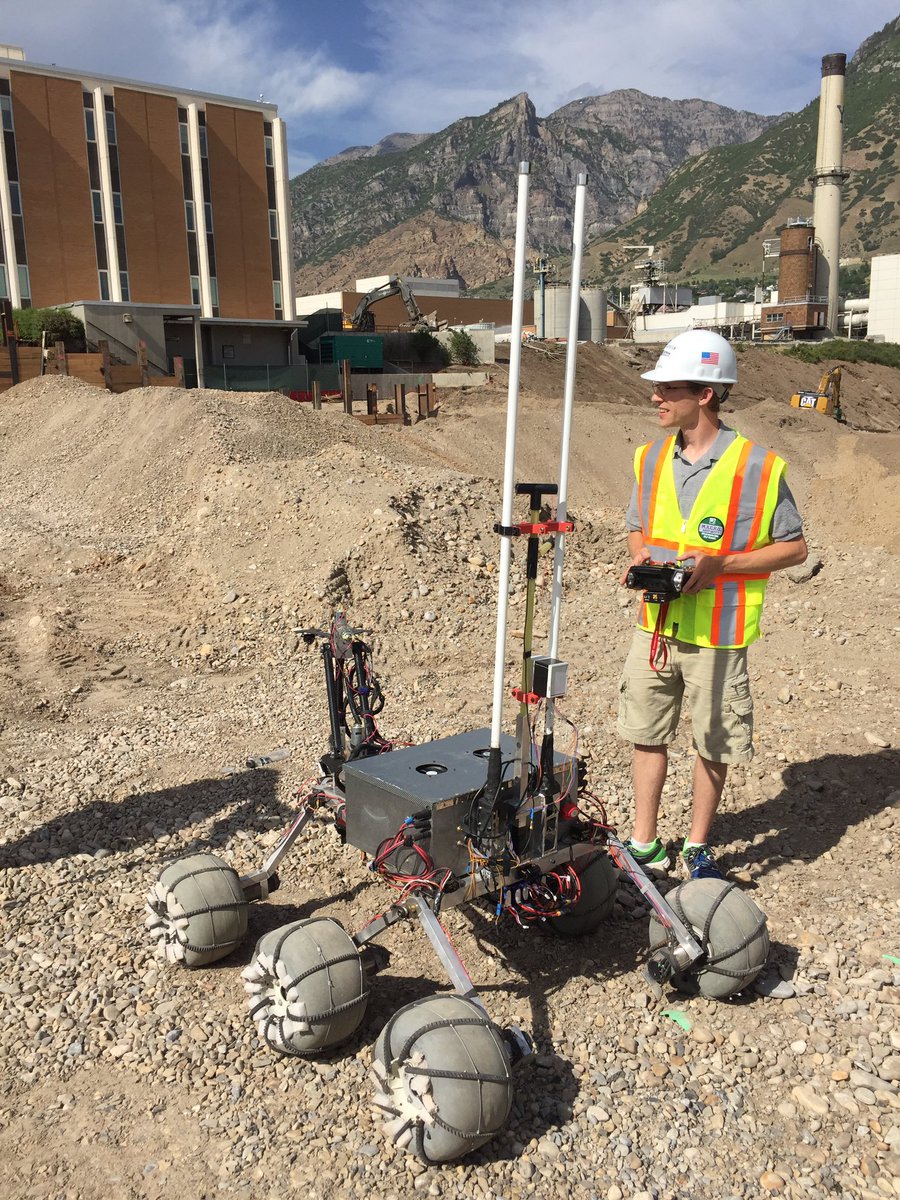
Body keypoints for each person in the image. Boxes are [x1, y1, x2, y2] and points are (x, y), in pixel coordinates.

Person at [616, 329, 807, 881]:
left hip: (719, 635)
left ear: (705, 393)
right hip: (655, 625)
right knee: (646, 732)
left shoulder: (758, 467)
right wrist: (643, 559)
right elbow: (637, 527)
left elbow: (794, 548)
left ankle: (697, 844)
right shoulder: (649, 459)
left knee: (712, 740)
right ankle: (644, 841)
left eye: (667, 388)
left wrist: (720, 565)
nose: (655, 397)